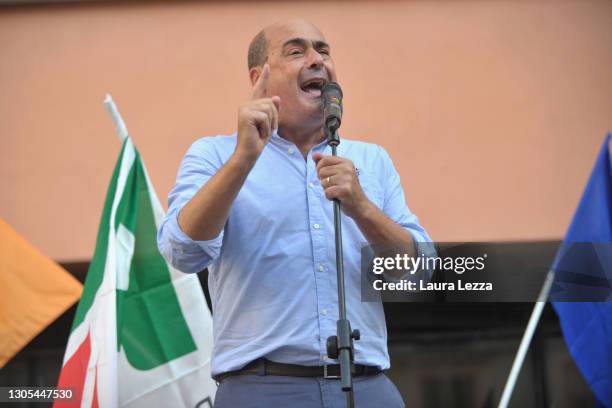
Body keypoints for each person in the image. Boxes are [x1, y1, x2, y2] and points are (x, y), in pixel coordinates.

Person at [157, 18, 432, 408]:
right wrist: (243, 160)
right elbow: (182, 251)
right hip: (262, 387)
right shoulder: (215, 155)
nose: (317, 59)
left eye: (324, 50)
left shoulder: (371, 160)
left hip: (368, 385)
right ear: (259, 77)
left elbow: (419, 272)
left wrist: (363, 208)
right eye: (297, 50)